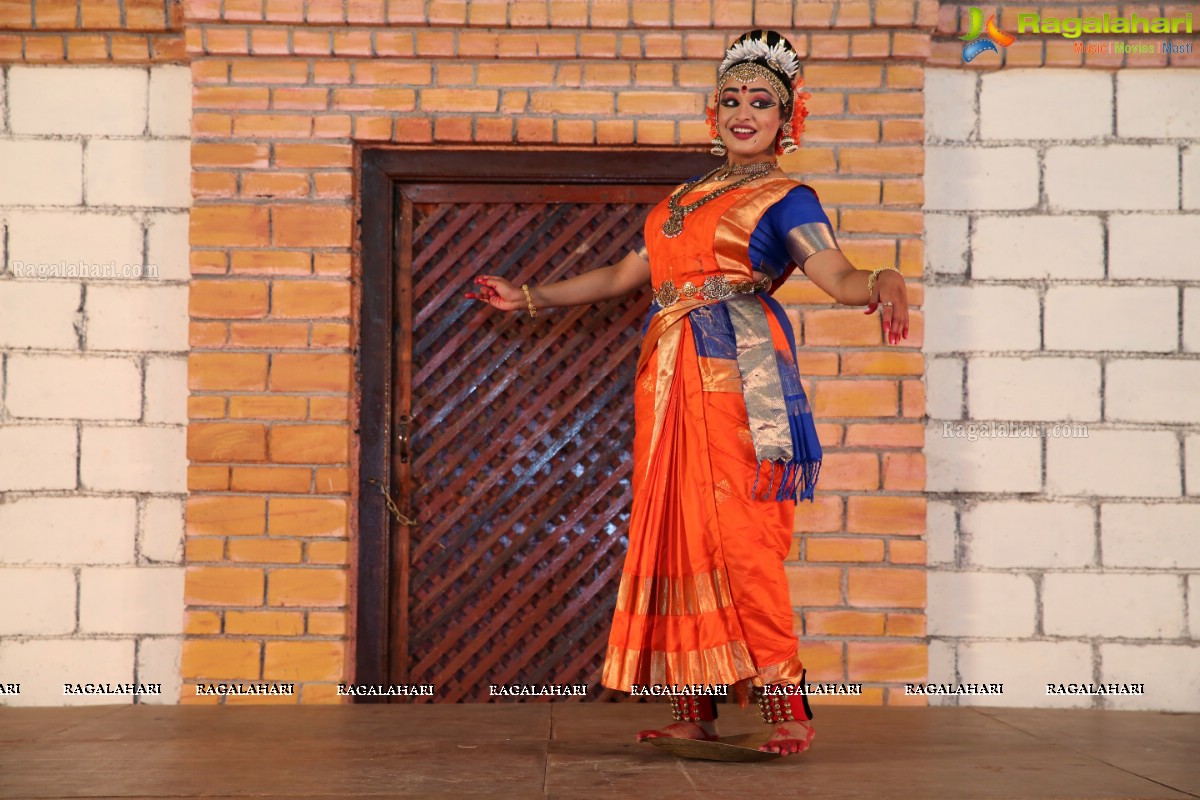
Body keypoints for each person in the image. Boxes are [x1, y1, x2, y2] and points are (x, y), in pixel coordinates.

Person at [465, 29, 909, 757]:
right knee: (674, 532)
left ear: (787, 120)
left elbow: (835, 276)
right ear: (714, 114)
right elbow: (619, 276)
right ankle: (693, 705)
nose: (743, 111)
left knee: (743, 539)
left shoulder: (785, 197)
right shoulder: (681, 199)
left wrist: (881, 280)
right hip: (668, 382)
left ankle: (786, 708)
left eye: (761, 101)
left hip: (737, 379)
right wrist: (530, 297)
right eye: (730, 98)